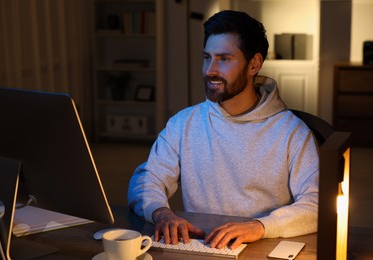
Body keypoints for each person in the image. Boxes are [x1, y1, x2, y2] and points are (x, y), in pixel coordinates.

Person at [127, 10, 319, 250]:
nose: (210, 70)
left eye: (224, 59)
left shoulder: (292, 132)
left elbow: (316, 204)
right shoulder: (184, 123)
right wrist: (161, 213)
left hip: (261, 248)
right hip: (196, 247)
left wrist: (261, 226)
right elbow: (147, 179)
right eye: (207, 57)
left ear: (254, 64)